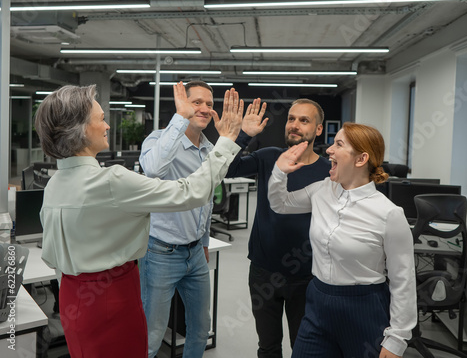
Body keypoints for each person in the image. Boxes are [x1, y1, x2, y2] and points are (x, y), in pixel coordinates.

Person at [34, 82, 242, 358]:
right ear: (83, 130)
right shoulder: (111, 180)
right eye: (102, 119)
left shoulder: (54, 184)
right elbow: (192, 192)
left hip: (73, 299)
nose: (107, 126)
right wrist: (226, 141)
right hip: (113, 297)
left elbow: (52, 257)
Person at [267, 122, 417, 358]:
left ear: (360, 159)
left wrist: (397, 339)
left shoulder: (389, 214)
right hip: (317, 302)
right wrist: (279, 172)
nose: (328, 150)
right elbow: (280, 203)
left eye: (338, 144)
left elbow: (403, 279)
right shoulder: (322, 190)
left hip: (364, 308)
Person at [139, 81, 244, 358]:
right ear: (183, 103)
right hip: (161, 252)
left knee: (199, 330)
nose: (205, 108)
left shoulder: (210, 148)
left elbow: (206, 198)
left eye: (209, 104)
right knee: (151, 336)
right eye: (197, 102)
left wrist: (205, 239)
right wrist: (180, 118)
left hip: (195, 252)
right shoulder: (159, 139)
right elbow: (152, 169)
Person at [226, 98, 331, 357]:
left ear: (318, 129)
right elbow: (227, 169)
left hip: (308, 275)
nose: (294, 125)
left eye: (304, 120)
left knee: (304, 347)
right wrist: (243, 136)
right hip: (264, 272)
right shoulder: (269, 157)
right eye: (291, 119)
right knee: (268, 346)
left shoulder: (329, 172)